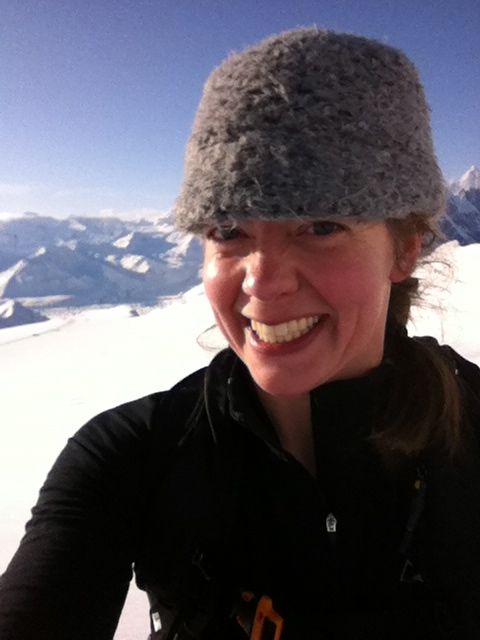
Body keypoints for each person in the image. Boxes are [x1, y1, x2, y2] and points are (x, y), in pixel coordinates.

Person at [1, 27, 479, 640]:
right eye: (229, 230)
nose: (263, 281)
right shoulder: (128, 458)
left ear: (405, 250)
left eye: (321, 224)